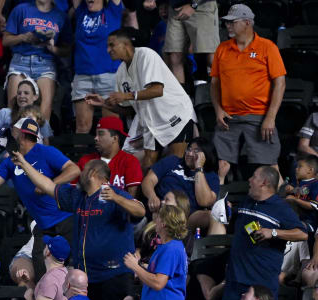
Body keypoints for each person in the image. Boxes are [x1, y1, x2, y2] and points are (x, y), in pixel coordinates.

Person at [16, 156, 145, 300]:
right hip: (85, 279)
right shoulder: (77, 196)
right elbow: (48, 185)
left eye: (83, 170)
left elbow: (141, 211)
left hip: (113, 277)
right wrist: (23, 163)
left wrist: (116, 198)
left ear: (92, 173)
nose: (80, 174)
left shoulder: (116, 194)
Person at [0, 118, 80, 279]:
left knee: (76, 268)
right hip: (44, 225)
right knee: (42, 272)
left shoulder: (46, 152)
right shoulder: (10, 161)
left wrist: (49, 185)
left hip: (67, 219)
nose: (9, 135)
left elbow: (74, 169)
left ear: (21, 135)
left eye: (12, 132)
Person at [86, 27, 196, 169]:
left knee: (176, 165)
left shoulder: (146, 55)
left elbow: (157, 90)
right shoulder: (120, 72)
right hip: (152, 122)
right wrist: (104, 103)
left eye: (112, 45)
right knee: (147, 165)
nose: (108, 50)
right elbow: (128, 110)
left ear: (125, 45)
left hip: (175, 114)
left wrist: (126, 95)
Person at [211, 4, 286, 177]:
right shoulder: (222, 49)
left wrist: (270, 117)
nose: (228, 26)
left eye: (232, 22)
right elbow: (214, 84)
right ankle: (217, 203)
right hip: (229, 118)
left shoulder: (267, 47)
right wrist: (218, 110)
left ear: (247, 22)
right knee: (222, 165)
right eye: (226, 22)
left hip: (259, 116)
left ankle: (281, 203)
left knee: (269, 168)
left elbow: (280, 84)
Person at [221, 166, 307, 300]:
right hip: (235, 281)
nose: (249, 179)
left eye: (254, 176)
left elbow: (302, 234)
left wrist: (273, 232)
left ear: (264, 182)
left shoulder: (281, 208)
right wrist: (228, 211)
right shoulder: (247, 201)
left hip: (261, 285)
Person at [3, 0, 72, 122]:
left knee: (44, 114)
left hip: (45, 63)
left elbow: (67, 50)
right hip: (20, 61)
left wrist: (53, 48)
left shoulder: (61, 16)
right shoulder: (21, 9)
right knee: (14, 110)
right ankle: (14, 140)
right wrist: (23, 37)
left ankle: (40, 141)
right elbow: (5, 40)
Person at [71, 0, 123, 137]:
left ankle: (111, 159)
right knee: (82, 127)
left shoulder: (112, 10)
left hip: (109, 75)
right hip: (83, 76)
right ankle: (80, 159)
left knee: (110, 127)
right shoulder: (81, 10)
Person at [142, 137, 221, 217]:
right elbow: (149, 180)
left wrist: (199, 168)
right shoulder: (172, 161)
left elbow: (204, 202)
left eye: (196, 151)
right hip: (161, 209)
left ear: (205, 155)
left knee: (213, 216)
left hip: (189, 218)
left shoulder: (211, 176)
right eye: (189, 149)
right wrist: (152, 196)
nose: (190, 154)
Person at [74, 116, 143, 196]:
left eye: (101, 134)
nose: (96, 138)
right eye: (96, 134)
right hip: (90, 207)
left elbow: (132, 198)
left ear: (114, 138)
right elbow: (73, 192)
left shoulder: (130, 161)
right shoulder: (85, 161)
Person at [162, 0, 219, 87]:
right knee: (174, 57)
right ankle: (181, 98)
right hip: (175, 8)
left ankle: (233, 93)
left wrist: (193, 5)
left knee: (211, 58)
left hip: (201, 7)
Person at [0, 78, 54, 148]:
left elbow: (46, 149)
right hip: (1, 156)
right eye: (19, 93)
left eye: (26, 93)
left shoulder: (40, 120)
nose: (21, 96)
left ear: (35, 97)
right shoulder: (4, 113)